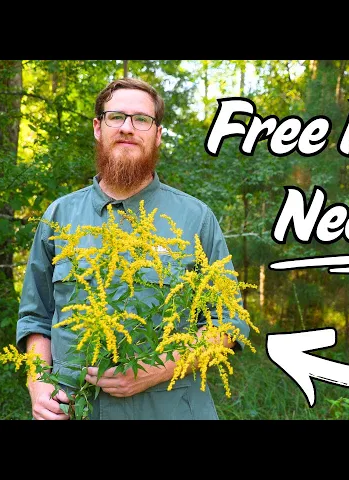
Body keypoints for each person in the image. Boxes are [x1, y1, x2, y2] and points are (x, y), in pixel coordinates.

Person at [16, 78, 250, 420]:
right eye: (116, 117)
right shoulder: (59, 216)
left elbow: (227, 324)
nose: (127, 127)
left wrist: (154, 370)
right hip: (73, 409)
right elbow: (35, 317)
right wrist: (37, 383)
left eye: (142, 119)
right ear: (98, 128)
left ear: (158, 135)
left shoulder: (196, 218)